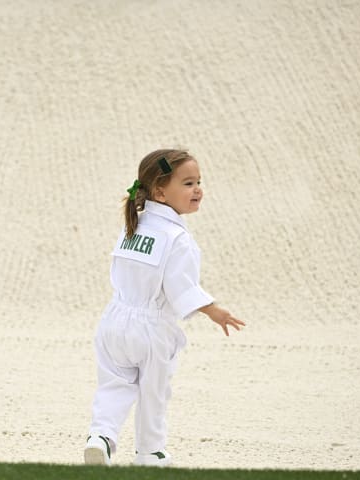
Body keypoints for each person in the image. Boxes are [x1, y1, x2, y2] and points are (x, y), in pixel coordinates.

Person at [84, 149, 245, 466]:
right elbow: (181, 286)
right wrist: (213, 309)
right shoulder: (176, 237)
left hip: (114, 321)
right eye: (187, 183)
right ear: (159, 191)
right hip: (151, 329)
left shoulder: (133, 226)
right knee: (153, 392)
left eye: (198, 182)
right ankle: (150, 451)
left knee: (114, 384)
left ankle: (101, 436)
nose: (197, 189)